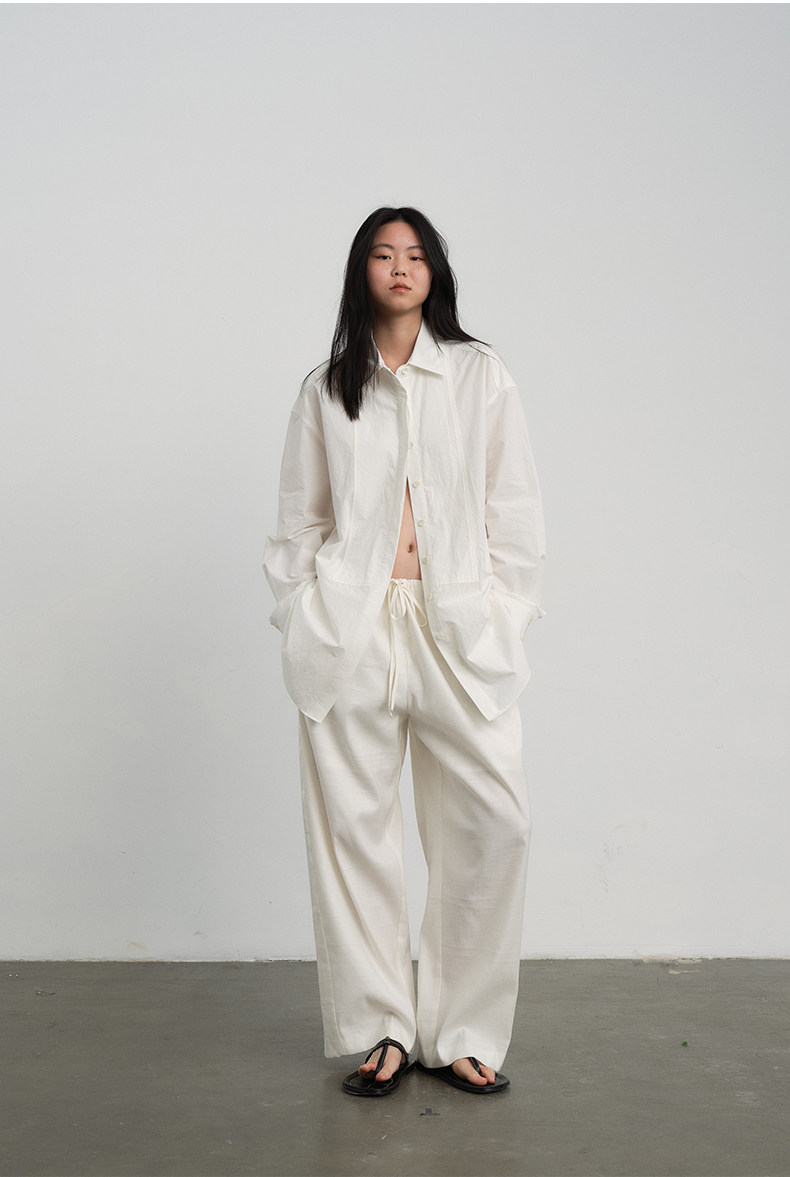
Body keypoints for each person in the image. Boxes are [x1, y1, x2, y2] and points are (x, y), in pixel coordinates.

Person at [264, 206, 546, 1096]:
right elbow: (300, 519)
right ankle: (383, 1027)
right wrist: (304, 611)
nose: (399, 267)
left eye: (416, 255)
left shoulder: (478, 374)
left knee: (495, 821)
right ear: (362, 271)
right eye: (384, 254)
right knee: (355, 832)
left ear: (434, 273)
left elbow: (514, 508)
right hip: (352, 628)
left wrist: (505, 613)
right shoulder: (327, 387)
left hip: (456, 624)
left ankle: (461, 1028)